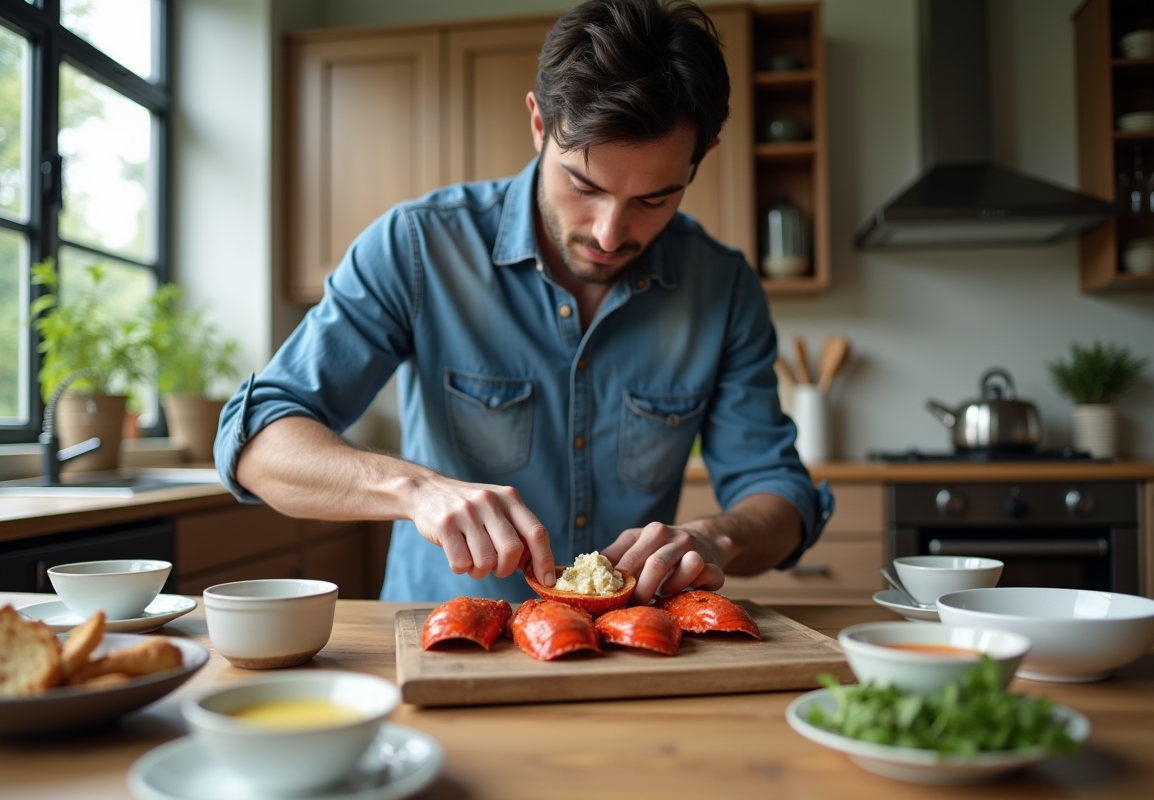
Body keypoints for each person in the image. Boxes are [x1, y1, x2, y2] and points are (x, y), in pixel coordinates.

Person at [215, 0, 832, 604]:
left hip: (626, 646)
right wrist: (415, 490)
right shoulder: (417, 247)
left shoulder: (724, 287)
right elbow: (256, 443)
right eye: (583, 185)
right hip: (445, 637)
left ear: (702, 158)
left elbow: (780, 494)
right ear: (539, 124)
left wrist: (715, 537)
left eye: (654, 200)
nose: (609, 234)